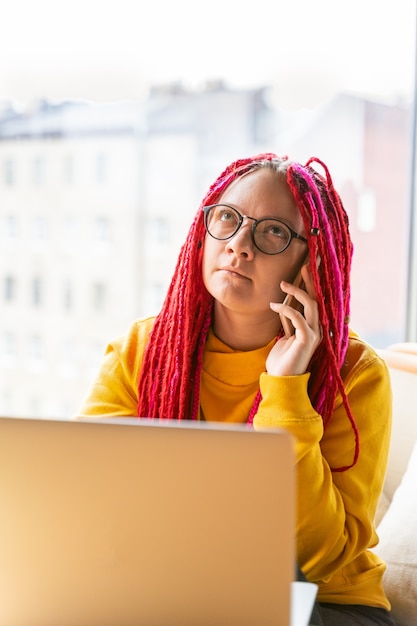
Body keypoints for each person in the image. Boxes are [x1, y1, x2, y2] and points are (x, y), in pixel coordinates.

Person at [78, 153, 395, 625]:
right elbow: (83, 496)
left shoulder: (356, 373)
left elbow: (318, 554)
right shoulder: (142, 350)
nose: (239, 245)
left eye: (272, 232)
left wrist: (287, 389)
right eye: (227, 218)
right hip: (179, 587)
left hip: (325, 605)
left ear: (312, 263)